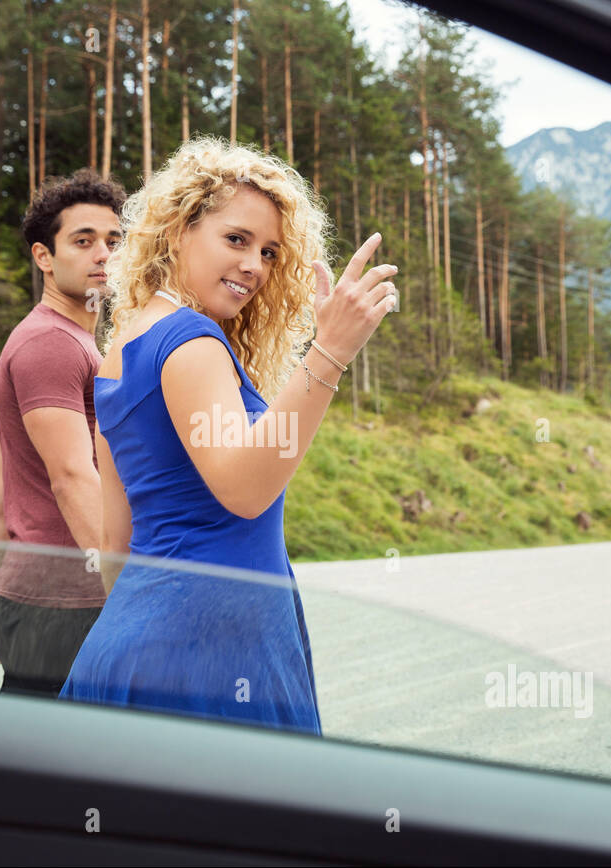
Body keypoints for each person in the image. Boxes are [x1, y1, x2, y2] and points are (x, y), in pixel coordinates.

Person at [58, 137, 398, 734]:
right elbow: (243, 489)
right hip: (214, 648)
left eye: (269, 252)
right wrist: (330, 352)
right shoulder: (191, 340)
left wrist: (141, 636)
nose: (254, 266)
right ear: (176, 232)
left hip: (136, 641)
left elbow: (116, 543)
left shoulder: (121, 350)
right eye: (236, 239)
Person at [0, 169, 127, 696]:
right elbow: (71, 476)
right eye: (82, 241)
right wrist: (125, 588)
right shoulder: (51, 344)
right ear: (44, 256)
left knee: (38, 762)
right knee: (63, 763)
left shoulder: (72, 341)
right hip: (66, 602)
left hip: (39, 596)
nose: (103, 254)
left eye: (114, 240)